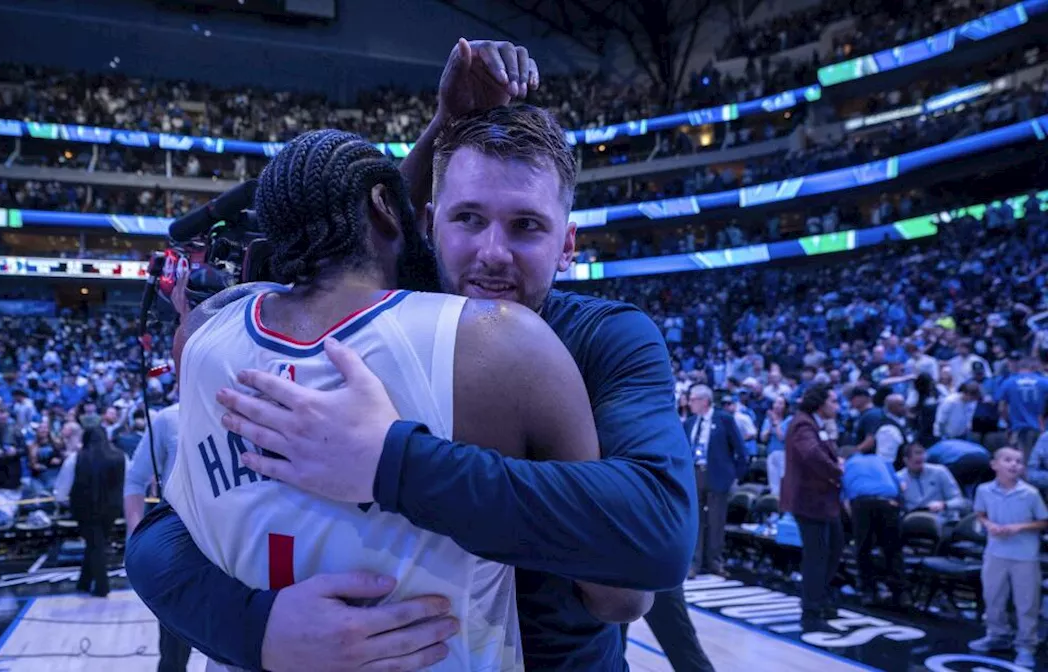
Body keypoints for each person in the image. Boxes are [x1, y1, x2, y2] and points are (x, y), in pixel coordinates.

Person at [127, 53, 695, 672]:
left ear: (567, 245)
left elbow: (651, 544)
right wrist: (257, 628)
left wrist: (393, 462)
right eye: (468, 218)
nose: (492, 253)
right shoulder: (355, 332)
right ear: (428, 222)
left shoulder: (607, 336)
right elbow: (160, 536)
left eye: (527, 226)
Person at [124, 400, 189, 672]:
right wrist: (136, 536)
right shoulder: (168, 419)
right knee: (174, 649)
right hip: (181, 547)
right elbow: (135, 479)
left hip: (235, 545)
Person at [968, 447, 1048, 668]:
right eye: (1008, 460)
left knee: (1026, 603)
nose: (1014, 465)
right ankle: (997, 635)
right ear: (994, 465)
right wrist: (989, 525)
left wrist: (1019, 527)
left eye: (1019, 461)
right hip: (995, 554)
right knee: (993, 598)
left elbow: (1044, 521)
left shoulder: (1030, 493)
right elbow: (980, 514)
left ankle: (1026, 645)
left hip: (1024, 556)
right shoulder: (984, 490)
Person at [781, 383, 844, 621]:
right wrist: (836, 470)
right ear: (820, 403)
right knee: (817, 555)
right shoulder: (803, 424)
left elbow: (824, 452)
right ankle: (812, 604)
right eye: (833, 401)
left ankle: (818, 595)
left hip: (823, 500)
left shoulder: (818, 424)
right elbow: (811, 456)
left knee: (833, 549)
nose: (837, 406)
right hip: (809, 500)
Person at [685, 384, 750, 578]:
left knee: (716, 520)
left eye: (692, 400)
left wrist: (734, 476)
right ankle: (693, 563)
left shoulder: (725, 419)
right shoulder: (689, 423)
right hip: (694, 474)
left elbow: (741, 451)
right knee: (695, 521)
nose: (689, 403)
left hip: (717, 476)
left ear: (704, 401)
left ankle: (715, 562)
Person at [55, 426, 126, 597]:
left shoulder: (76, 458)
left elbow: (61, 489)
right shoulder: (121, 456)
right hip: (112, 508)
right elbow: (129, 482)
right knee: (96, 543)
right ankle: (84, 583)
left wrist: (61, 499)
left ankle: (102, 586)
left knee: (95, 545)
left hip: (85, 508)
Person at [839, 443, 905, 606]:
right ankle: (900, 594)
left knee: (863, 549)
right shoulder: (880, 460)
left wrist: (854, 522)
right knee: (893, 550)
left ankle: (869, 591)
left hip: (862, 503)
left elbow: (844, 499)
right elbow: (898, 486)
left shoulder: (846, 466)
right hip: (888, 501)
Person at [994, 356, 1047, 456]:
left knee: (1020, 460)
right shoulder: (1044, 382)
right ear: (1033, 367)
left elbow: (1001, 408)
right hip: (1040, 429)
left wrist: (1008, 422)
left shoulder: (1008, 382)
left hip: (1018, 428)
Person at [897, 442, 968, 516]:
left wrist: (944, 505)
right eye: (916, 462)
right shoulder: (899, 477)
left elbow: (959, 501)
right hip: (914, 519)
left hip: (943, 518)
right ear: (906, 460)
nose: (920, 465)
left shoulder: (940, 471)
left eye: (921, 461)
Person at [759, 396, 791, 495]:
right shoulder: (768, 420)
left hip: (784, 454)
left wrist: (776, 423)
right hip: (771, 454)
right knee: (774, 485)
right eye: (776, 403)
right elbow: (763, 438)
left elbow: (782, 437)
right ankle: (774, 508)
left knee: (784, 484)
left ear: (785, 406)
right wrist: (770, 425)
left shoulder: (789, 420)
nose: (777, 406)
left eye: (781, 403)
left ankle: (785, 509)